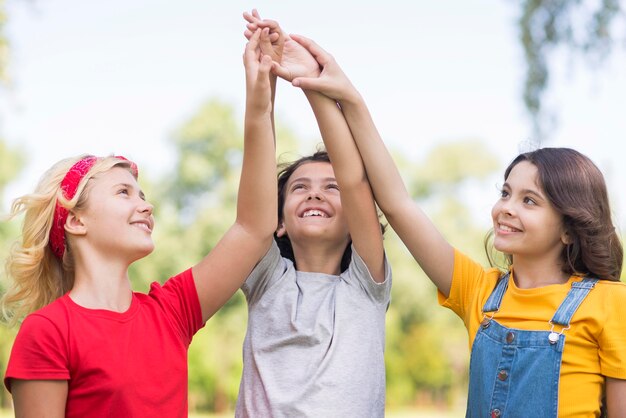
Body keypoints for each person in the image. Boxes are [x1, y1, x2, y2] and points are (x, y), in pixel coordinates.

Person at [281, 31, 626, 417]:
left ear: (569, 227)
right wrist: (349, 97)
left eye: (529, 200)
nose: (506, 208)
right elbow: (396, 203)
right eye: (505, 192)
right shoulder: (479, 292)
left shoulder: (610, 302)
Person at [0, 28, 278, 418]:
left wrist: (261, 103)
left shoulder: (171, 311)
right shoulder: (48, 331)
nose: (146, 207)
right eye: (124, 193)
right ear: (76, 221)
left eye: (143, 196)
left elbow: (254, 229)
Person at [235, 11, 391, 418]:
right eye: (300, 188)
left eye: (330, 188)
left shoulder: (366, 283)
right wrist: (264, 84)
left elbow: (356, 181)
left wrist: (311, 84)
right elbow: (255, 199)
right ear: (280, 220)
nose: (315, 194)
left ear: (355, 223)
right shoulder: (265, 277)